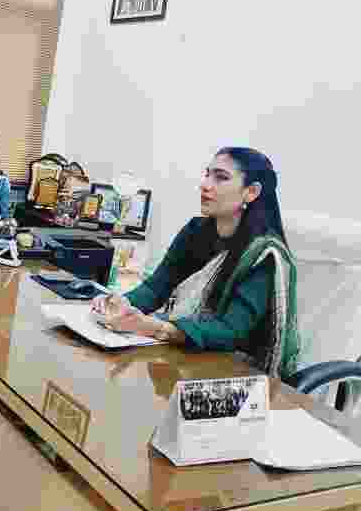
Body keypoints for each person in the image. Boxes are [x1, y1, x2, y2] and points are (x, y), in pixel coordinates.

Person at [93, 147, 300, 379]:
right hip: (186, 356)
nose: (205, 185)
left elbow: (230, 332)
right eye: (207, 174)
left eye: (221, 177)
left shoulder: (264, 256)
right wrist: (121, 303)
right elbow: (155, 288)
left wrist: (155, 328)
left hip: (237, 373)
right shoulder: (195, 231)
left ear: (251, 192)